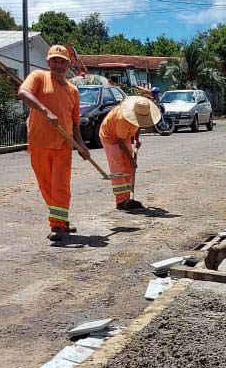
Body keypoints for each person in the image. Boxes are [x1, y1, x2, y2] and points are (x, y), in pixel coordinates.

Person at [18, 46, 90, 242]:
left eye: (62, 61)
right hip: (39, 143)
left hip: (63, 145)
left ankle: (57, 225)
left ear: (68, 64)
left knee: (61, 186)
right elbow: (23, 93)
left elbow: (75, 122)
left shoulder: (73, 91)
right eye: (54, 61)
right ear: (48, 62)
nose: (58, 65)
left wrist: (81, 146)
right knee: (47, 187)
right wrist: (45, 111)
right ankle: (62, 219)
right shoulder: (38, 77)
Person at [99, 95, 159, 211]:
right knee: (118, 169)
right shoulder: (122, 118)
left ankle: (127, 197)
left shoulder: (139, 114)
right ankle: (120, 201)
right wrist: (132, 159)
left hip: (124, 137)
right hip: (110, 138)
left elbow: (139, 124)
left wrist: (136, 139)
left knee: (128, 167)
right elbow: (120, 142)